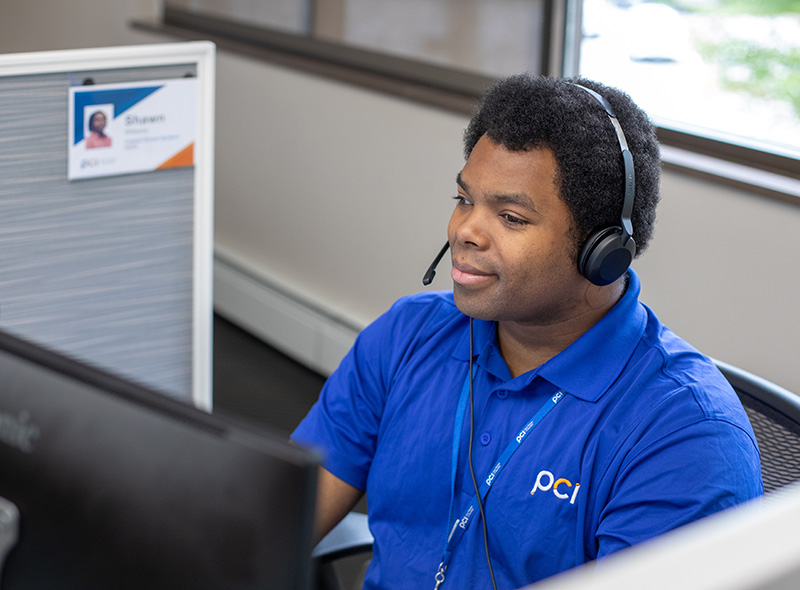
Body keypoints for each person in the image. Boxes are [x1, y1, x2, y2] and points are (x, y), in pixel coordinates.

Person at [291, 74, 762, 590]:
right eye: (463, 199)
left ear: (602, 251)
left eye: (510, 216)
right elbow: (281, 518)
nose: (464, 231)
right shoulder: (407, 336)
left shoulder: (684, 435)